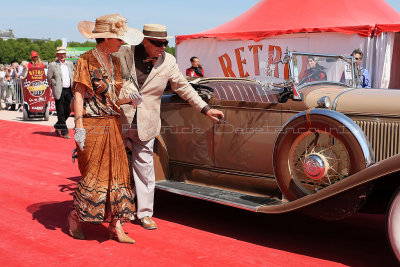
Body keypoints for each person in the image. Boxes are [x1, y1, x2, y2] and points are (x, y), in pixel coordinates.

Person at [115, 24, 224, 230]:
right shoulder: (124, 53)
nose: (163, 47)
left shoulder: (169, 61)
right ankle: (111, 208)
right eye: (158, 43)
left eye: (165, 43)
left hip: (147, 123)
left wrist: (205, 108)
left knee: (146, 168)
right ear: (144, 41)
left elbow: (183, 87)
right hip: (118, 119)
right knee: (113, 164)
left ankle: (145, 213)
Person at [67, 14, 144, 244]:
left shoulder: (116, 62)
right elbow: (79, 94)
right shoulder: (85, 60)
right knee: (93, 174)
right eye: (119, 39)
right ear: (107, 37)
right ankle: (74, 216)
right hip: (92, 124)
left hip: (113, 122)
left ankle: (116, 225)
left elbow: (111, 99)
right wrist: (78, 126)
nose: (123, 42)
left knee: (119, 174)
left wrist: (130, 100)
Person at [47, 47, 74, 138]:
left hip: (69, 90)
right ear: (57, 55)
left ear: (65, 55)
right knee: (60, 111)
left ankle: (58, 125)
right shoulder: (53, 65)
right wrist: (54, 84)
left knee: (69, 110)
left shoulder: (70, 64)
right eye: (60, 54)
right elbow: (49, 78)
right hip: (59, 90)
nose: (62, 55)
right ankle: (64, 131)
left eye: (63, 53)